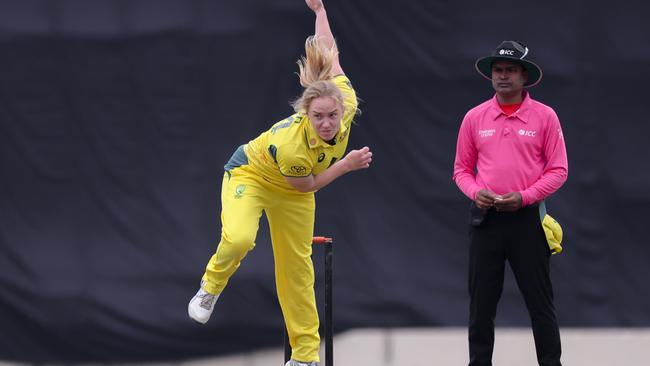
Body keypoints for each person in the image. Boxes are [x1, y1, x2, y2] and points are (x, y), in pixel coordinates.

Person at [188, 1, 371, 365]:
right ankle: (210, 287)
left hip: (294, 191)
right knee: (241, 238)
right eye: (318, 117)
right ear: (306, 114)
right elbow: (307, 185)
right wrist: (347, 165)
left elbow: (328, 54)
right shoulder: (292, 147)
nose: (327, 124)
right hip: (253, 175)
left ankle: (304, 357)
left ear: (341, 108)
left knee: (296, 268)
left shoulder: (345, 102)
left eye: (332, 115)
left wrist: (320, 11)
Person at [453, 40, 568, 366]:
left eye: (510, 70)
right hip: (486, 219)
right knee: (481, 306)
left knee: (540, 304)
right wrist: (476, 192)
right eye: (498, 70)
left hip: (528, 220)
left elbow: (559, 170)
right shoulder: (475, 118)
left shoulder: (544, 117)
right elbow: (461, 170)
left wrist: (526, 196)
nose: (503, 76)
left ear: (524, 77)